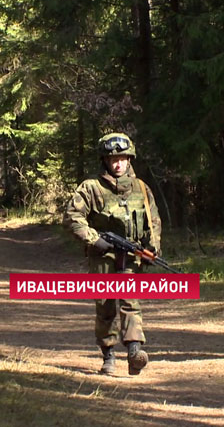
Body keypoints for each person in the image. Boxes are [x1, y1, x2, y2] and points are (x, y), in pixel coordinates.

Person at [63, 132, 162, 376]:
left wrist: (152, 247)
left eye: (122, 158)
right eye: (112, 158)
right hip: (103, 256)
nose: (118, 163)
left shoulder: (141, 187)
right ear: (105, 161)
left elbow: (154, 220)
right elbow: (72, 218)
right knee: (105, 305)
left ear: (130, 159)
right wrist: (94, 240)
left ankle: (134, 351)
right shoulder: (91, 188)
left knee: (130, 301)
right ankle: (108, 355)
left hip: (131, 255)